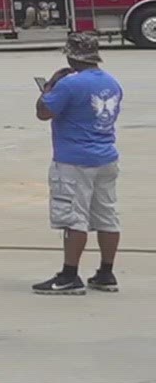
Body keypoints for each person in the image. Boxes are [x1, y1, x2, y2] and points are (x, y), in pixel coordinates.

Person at [33, 32, 125, 295]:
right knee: (107, 215)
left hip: (74, 160)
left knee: (74, 218)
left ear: (72, 56)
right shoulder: (112, 83)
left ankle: (69, 274)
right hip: (106, 156)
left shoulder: (69, 85)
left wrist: (49, 86)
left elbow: (43, 112)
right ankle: (106, 272)